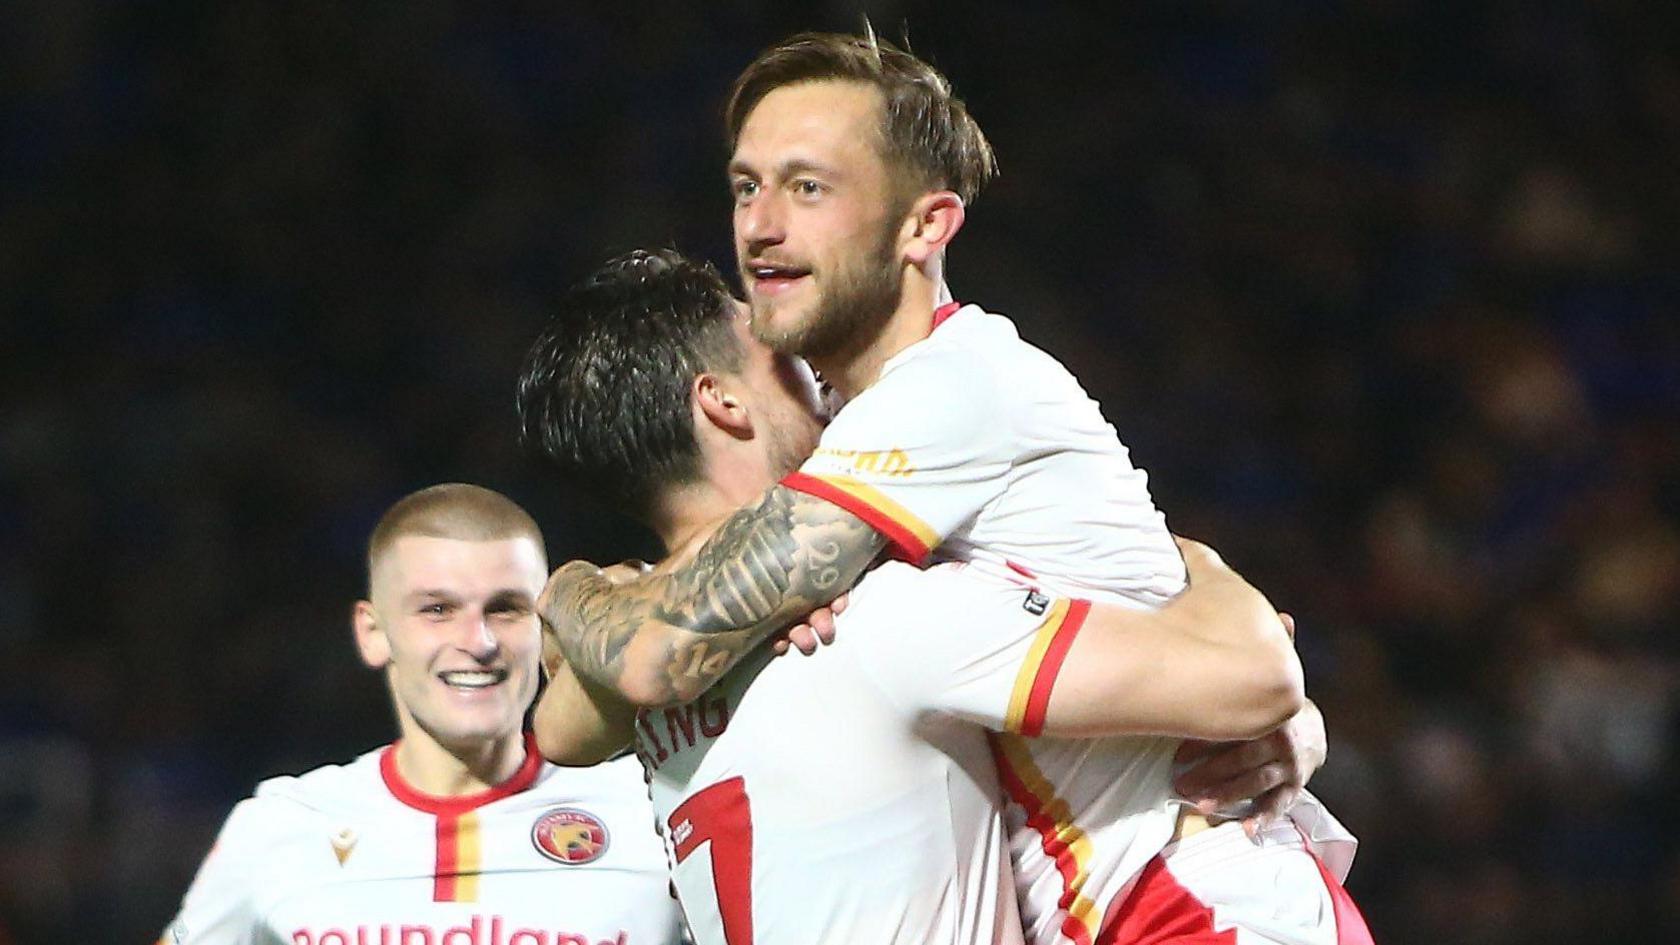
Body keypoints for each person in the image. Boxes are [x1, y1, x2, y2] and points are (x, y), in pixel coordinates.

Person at [537, 31, 1369, 945]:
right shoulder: (862, 451)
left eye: (808, 187)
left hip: (1194, 902)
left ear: (924, 225)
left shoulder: (949, 388)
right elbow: (573, 720)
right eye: (746, 185)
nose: (759, 225)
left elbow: (655, 653)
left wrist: (568, 589)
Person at [518, 249, 1312, 945]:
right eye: (782, 354)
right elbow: (1244, 674)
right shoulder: (871, 619)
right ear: (722, 401)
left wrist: (571, 588)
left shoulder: (624, 688)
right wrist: (1199, 565)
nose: (818, 366)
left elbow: (555, 727)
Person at [158, 484, 682, 945]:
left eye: (505, 608)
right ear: (373, 633)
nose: (478, 642)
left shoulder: (655, 815)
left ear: (546, 628)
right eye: (437, 610)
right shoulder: (280, 829)